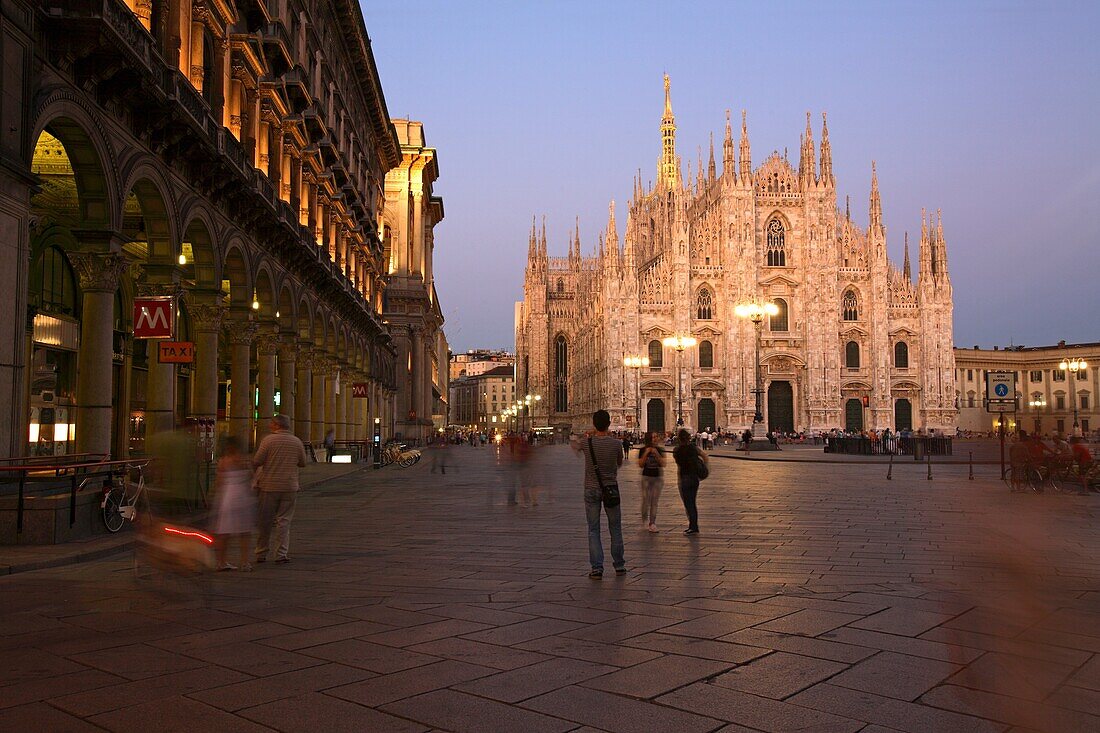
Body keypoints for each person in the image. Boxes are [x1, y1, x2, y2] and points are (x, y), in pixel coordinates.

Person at [570, 409, 625, 578]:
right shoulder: (616, 444)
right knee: (615, 528)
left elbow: (573, 443)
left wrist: (589, 435)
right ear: (609, 423)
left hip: (591, 489)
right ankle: (619, 566)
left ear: (594, 424)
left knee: (593, 529)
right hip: (611, 489)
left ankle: (597, 568)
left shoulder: (587, 443)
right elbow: (619, 463)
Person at [253, 414, 307, 564]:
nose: (270, 425)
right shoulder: (296, 441)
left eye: (271, 423)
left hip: (269, 485)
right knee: (284, 520)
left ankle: (261, 552)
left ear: (276, 425)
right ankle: (281, 554)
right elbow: (303, 463)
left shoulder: (268, 440)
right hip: (289, 486)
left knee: (265, 520)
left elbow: (257, 461)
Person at [211, 435, 256, 572]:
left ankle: (221, 561)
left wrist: (215, 496)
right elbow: (251, 477)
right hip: (242, 496)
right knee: (244, 531)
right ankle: (244, 562)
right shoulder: (244, 460)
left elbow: (219, 482)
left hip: (228, 496)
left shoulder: (223, 461)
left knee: (224, 532)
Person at [673, 428, 707, 535]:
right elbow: (705, 456)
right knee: (692, 503)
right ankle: (693, 525)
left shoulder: (677, 450)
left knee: (689, 504)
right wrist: (703, 468)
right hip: (694, 478)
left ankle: (693, 527)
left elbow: (679, 464)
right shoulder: (693, 448)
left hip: (684, 478)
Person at [636, 431, 665, 532]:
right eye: (653, 437)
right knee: (645, 500)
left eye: (656, 437)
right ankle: (644, 521)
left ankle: (652, 523)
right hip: (646, 478)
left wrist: (656, 453)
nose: (655, 439)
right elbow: (640, 464)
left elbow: (663, 463)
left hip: (657, 478)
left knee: (654, 502)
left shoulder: (660, 450)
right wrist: (646, 453)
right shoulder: (643, 450)